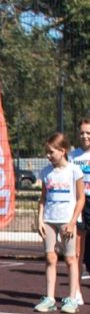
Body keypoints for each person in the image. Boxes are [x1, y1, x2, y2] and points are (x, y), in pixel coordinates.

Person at [35, 132, 84, 314]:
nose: (48, 155)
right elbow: (43, 198)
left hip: (67, 221)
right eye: (47, 152)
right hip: (49, 220)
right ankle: (49, 298)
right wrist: (40, 220)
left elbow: (80, 199)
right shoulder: (46, 172)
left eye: (51, 152)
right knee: (50, 258)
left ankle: (72, 299)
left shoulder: (74, 171)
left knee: (70, 259)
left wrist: (72, 222)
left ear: (62, 151)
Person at [70, 117, 90, 301]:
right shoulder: (72, 157)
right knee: (77, 250)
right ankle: (76, 291)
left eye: (88, 133)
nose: (85, 136)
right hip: (79, 204)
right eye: (82, 132)